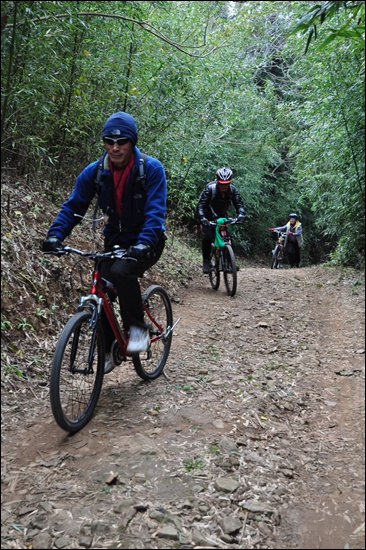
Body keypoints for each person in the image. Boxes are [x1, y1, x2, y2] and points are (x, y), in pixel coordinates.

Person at [42, 111, 167, 370]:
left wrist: (144, 243)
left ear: (132, 142)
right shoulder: (95, 172)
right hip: (116, 241)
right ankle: (110, 348)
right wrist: (56, 234)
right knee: (102, 283)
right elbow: (74, 207)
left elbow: (155, 212)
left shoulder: (151, 169)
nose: (115, 147)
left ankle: (138, 333)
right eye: (109, 142)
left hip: (148, 239)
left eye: (121, 142)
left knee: (122, 272)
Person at [196, 167, 246, 273]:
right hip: (208, 217)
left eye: (226, 184)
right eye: (221, 184)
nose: (224, 186)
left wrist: (241, 214)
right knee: (208, 236)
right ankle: (206, 261)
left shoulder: (233, 190)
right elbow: (200, 205)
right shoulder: (210, 189)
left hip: (223, 216)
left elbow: (239, 204)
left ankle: (230, 261)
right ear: (217, 181)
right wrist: (202, 218)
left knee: (228, 237)